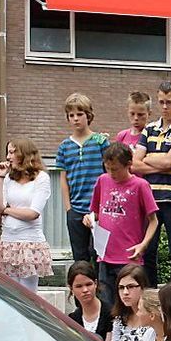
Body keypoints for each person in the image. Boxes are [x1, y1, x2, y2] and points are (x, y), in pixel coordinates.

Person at [133, 81, 171, 287]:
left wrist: (149, 158)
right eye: (161, 102)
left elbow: (170, 161)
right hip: (150, 197)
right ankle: (149, 293)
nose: (165, 107)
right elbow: (134, 164)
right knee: (148, 249)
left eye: (169, 102)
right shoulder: (149, 129)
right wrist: (162, 163)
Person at [86, 143, 159, 300]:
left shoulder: (140, 185)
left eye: (116, 169)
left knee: (130, 303)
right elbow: (96, 213)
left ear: (129, 165)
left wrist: (143, 244)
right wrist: (89, 218)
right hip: (105, 255)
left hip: (129, 257)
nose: (111, 173)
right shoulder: (102, 181)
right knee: (106, 303)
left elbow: (153, 221)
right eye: (108, 168)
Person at [0, 138, 53, 292]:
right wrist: (0, 177)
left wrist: (7, 210)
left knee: (28, 293)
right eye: (8, 152)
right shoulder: (8, 179)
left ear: (24, 154)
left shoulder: (41, 178)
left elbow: (33, 213)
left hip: (29, 242)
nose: (8, 157)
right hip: (8, 241)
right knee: (10, 292)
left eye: (12, 152)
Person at [58, 92, 109, 263]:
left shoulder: (100, 141)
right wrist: (68, 208)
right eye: (71, 115)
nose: (75, 119)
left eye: (79, 114)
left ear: (88, 115)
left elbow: (108, 174)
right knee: (80, 256)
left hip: (98, 209)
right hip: (76, 209)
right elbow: (63, 178)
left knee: (99, 254)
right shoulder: (64, 146)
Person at [108, 264, 151, 341]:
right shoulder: (120, 320)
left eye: (131, 287)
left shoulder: (153, 316)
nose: (125, 292)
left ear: (143, 287)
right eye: (121, 288)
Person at [66, 260, 113, 341]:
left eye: (89, 284)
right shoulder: (72, 320)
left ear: (95, 283)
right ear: (71, 288)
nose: (85, 290)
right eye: (79, 286)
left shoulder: (112, 314)